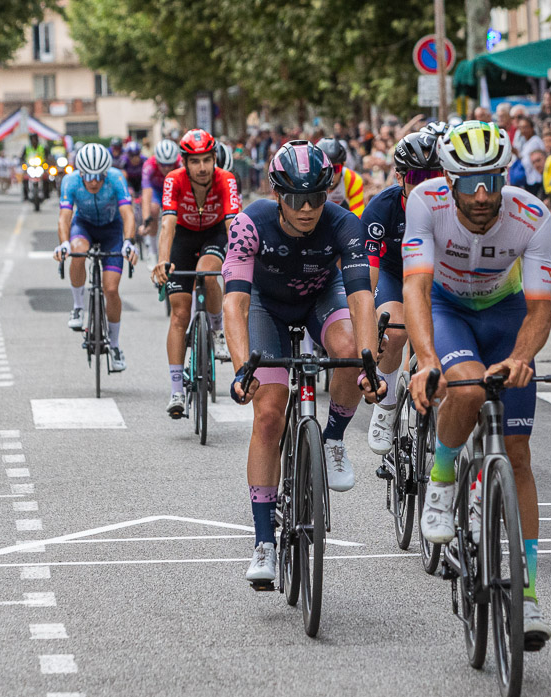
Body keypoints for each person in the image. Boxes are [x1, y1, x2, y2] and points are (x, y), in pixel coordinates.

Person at [404, 120, 551, 645]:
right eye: (470, 183)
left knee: (518, 455)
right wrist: (426, 360)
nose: (484, 194)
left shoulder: (532, 215)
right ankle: (442, 485)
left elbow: (540, 310)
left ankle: (529, 595)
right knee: (465, 388)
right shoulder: (424, 202)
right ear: (448, 181)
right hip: (447, 309)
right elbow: (416, 289)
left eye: (492, 179)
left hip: (505, 313)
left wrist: (520, 357)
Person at [223, 140, 385, 585]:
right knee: (270, 413)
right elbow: (234, 304)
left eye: (317, 196)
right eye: (296, 198)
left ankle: (332, 438)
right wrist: (242, 369)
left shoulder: (343, 223)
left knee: (350, 348)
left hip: (319, 298)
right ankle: (263, 542)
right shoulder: (249, 224)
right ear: (278, 195)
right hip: (265, 307)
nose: (308, 208)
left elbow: (360, 297)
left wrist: (369, 363)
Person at [150, 129, 240, 417]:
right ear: (185, 163)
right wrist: (163, 261)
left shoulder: (226, 180)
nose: (202, 167)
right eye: (195, 161)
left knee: (207, 272)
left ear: (214, 158)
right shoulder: (173, 180)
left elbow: (233, 226)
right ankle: (176, 391)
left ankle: (216, 332)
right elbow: (168, 225)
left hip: (214, 235)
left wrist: (239, 261)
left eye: (206, 160)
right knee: (179, 313)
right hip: (183, 238)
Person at [363, 130, 442, 455]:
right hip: (394, 273)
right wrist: (367, 324)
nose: (424, 184)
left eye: (433, 176)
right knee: (395, 331)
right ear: (399, 177)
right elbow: (367, 274)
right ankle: (387, 407)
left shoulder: (453, 206)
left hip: (436, 275)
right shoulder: (381, 208)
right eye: (415, 177)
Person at [52, 143, 138, 372]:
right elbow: (65, 217)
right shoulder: (70, 181)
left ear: (105, 172)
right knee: (77, 250)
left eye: (99, 176)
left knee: (111, 290)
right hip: (84, 226)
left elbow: (128, 214)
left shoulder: (116, 178)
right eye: (88, 176)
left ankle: (116, 345)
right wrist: (63, 243)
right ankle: (78, 306)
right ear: (80, 172)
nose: (93, 181)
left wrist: (129, 241)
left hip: (112, 230)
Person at [139, 139, 181, 260]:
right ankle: (152, 251)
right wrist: (146, 220)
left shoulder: (181, 163)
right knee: (153, 209)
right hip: (156, 191)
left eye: (170, 164)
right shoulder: (149, 165)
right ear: (157, 161)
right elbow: (146, 193)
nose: (167, 168)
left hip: (174, 189)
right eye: (163, 164)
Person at [316, 137, 365, 217]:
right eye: (324, 169)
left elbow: (358, 218)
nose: (331, 174)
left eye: (336, 168)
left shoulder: (353, 179)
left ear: (343, 165)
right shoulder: (309, 180)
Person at [21, 133, 49, 201]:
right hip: (30, 167)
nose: (34, 141)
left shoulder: (42, 147)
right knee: (25, 179)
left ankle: (46, 194)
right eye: (32, 139)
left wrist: (46, 162)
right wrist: (23, 163)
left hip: (40, 166)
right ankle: (25, 195)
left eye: (35, 139)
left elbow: (47, 156)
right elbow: (22, 157)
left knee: (46, 178)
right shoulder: (27, 148)